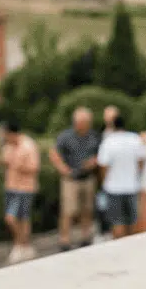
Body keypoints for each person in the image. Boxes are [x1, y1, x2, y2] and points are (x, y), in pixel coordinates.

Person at [50, 106, 101, 249]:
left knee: (87, 209)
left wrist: (94, 161)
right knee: (68, 211)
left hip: (88, 178)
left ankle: (85, 237)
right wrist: (63, 169)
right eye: (80, 122)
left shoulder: (94, 136)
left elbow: (101, 153)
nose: (82, 125)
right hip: (71, 179)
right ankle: (64, 240)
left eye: (85, 122)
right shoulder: (66, 136)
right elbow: (54, 153)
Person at [94, 107, 144, 240]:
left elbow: (103, 165)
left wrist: (104, 182)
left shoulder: (108, 142)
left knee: (117, 221)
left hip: (114, 187)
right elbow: (140, 162)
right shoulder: (135, 139)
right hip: (132, 186)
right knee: (133, 220)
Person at [1, 122, 40, 263]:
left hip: (25, 187)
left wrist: (19, 166)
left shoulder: (28, 145)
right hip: (11, 186)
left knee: (19, 218)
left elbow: (34, 167)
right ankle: (22, 244)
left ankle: (21, 245)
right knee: (16, 218)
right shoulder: (7, 147)